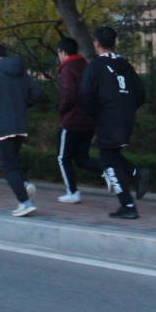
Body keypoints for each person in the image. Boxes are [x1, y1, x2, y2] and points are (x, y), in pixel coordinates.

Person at [79, 26, 149, 220]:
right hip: (126, 116)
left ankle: (128, 205)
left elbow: (85, 94)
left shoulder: (95, 66)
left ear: (97, 44)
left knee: (108, 161)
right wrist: (127, 108)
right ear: (114, 42)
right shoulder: (125, 64)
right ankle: (136, 173)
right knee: (112, 153)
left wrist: (94, 112)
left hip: (107, 116)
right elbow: (140, 93)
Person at [0, 44, 43, 216]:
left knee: (7, 166)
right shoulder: (21, 72)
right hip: (20, 124)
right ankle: (25, 184)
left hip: (3, 124)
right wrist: (22, 105)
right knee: (13, 160)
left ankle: (25, 202)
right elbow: (37, 92)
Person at [55, 37, 102, 203]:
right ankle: (108, 171)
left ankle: (72, 192)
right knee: (81, 157)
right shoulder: (86, 66)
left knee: (63, 158)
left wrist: (62, 109)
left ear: (62, 52)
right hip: (88, 120)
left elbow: (69, 94)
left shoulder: (67, 69)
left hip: (72, 120)